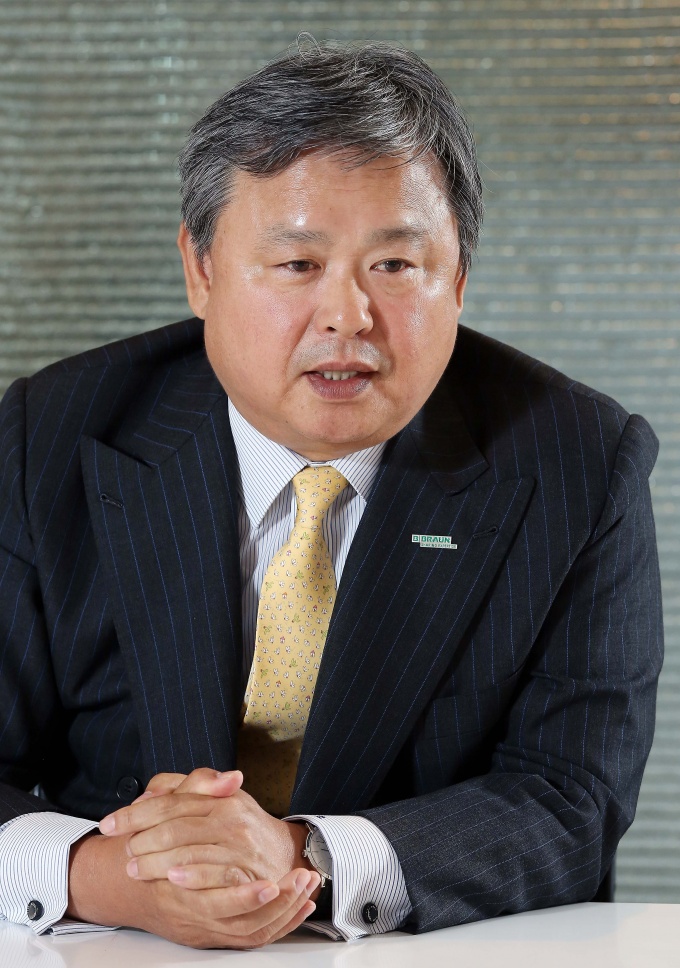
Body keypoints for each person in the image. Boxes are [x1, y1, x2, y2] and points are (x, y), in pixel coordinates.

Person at [0, 41, 663, 951]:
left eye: (395, 265)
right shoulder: (52, 435)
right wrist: (108, 879)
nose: (348, 316)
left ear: (458, 278)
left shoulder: (579, 462)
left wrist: (303, 857)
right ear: (201, 270)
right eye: (298, 265)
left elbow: (571, 798)